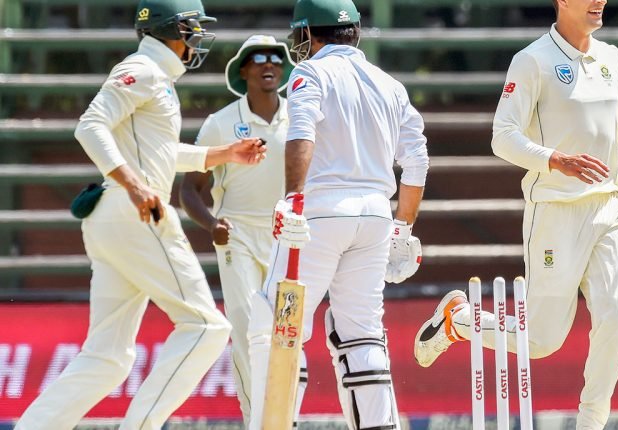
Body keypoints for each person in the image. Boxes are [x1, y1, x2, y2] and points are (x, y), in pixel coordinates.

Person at [414, 0, 618, 429]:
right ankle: (459, 321)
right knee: (541, 341)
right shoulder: (532, 61)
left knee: (615, 319)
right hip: (555, 211)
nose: (600, 1)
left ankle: (590, 424)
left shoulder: (610, 57)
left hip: (608, 207)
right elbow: (502, 137)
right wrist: (556, 160)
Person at [14, 1, 267, 429]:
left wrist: (224, 154)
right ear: (172, 29)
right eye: (192, 28)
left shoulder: (158, 77)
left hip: (117, 216)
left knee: (108, 358)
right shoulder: (144, 69)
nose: (196, 39)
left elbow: (160, 154)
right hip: (137, 213)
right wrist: (135, 186)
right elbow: (90, 126)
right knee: (206, 328)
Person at [267, 0, 429, 428]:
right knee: (361, 334)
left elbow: (301, 132)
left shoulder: (310, 72)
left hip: (320, 213)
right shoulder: (390, 84)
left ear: (307, 33)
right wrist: (403, 227)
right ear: (354, 32)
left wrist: (292, 198)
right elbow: (417, 159)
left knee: (277, 323)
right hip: (375, 217)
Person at [179, 34, 294, 429]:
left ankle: (283, 420)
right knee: (247, 332)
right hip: (237, 236)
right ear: (243, 70)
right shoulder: (221, 123)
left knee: (285, 334)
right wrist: (212, 225)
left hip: (286, 238)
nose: (269, 64)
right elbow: (189, 189)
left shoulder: (301, 116)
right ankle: (254, 421)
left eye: (275, 58)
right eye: (258, 58)